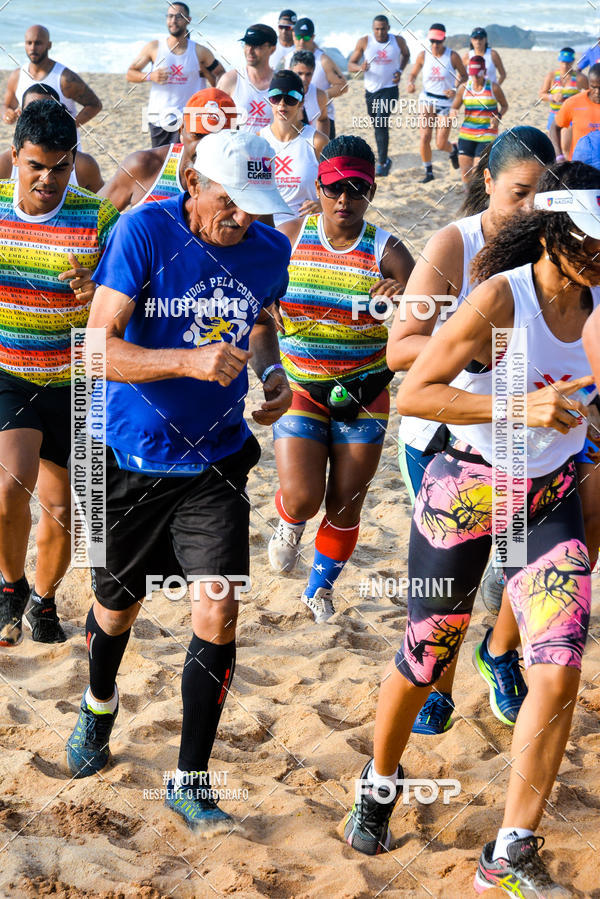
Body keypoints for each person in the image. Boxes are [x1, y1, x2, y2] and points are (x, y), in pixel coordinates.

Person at [345, 160, 600, 899]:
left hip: (547, 495)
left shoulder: (597, 301)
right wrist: (518, 407)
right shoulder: (499, 297)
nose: (597, 254)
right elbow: (416, 391)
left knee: (559, 664)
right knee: (427, 656)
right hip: (466, 487)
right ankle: (380, 780)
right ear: (551, 233)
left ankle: (510, 851)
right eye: (586, 240)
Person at [64, 130, 293, 833]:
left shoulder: (269, 249)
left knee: (218, 610)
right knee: (116, 607)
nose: (242, 218)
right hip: (126, 456)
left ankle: (190, 778)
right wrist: (189, 362)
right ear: (192, 183)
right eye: (229, 201)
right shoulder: (143, 231)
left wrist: (272, 371)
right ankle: (98, 703)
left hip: (216, 460)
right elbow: (95, 348)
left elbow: (260, 320)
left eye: (255, 205)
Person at [388, 126, 557, 735]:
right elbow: (399, 348)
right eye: (519, 194)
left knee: (522, 565)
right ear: (487, 181)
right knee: (450, 583)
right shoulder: (454, 244)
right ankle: (438, 686)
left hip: (529, 436)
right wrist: (472, 347)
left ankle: (500, 653)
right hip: (443, 432)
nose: (531, 209)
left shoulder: (557, 245)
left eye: (544, 195)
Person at [268, 135, 414, 623]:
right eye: (334, 188)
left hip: (366, 390)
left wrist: (402, 303)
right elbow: (254, 302)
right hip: (301, 385)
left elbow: (423, 328)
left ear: (372, 191)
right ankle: (289, 520)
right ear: (318, 187)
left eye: (357, 189)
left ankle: (319, 590)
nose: (344, 200)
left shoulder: (390, 253)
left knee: (345, 504)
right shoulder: (289, 238)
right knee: (304, 497)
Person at [0, 100, 118, 647]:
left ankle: (44, 600)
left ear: (74, 161)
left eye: (60, 167)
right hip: (12, 372)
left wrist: (100, 293)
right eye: (36, 166)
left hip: (81, 379)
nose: (48, 179)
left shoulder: (99, 218)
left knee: (65, 508)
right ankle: (11, 585)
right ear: (15, 157)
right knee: (8, 489)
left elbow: (132, 295)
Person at [99, 88, 236, 210]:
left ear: (234, 137)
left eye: (216, 138)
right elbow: (92, 218)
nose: (204, 146)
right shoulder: (145, 167)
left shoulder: (240, 178)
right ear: (181, 130)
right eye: (198, 136)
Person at [126, 2, 225, 148]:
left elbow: (222, 76)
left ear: (188, 20)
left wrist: (205, 72)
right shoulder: (154, 47)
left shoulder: (200, 51)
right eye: (170, 16)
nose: (173, 20)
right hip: (159, 117)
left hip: (190, 118)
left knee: (186, 160)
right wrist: (150, 76)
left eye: (179, 17)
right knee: (162, 159)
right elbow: (130, 73)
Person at [0, 84, 103, 192]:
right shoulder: (4, 166)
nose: (47, 180)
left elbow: (103, 199)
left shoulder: (83, 167)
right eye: (36, 166)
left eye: (59, 169)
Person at [1, 24, 102, 130]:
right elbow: (6, 106)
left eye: (38, 43)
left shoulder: (65, 78)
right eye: (29, 43)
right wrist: (7, 115)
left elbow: (95, 105)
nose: (33, 48)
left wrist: (68, 128)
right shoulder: (17, 76)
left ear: (49, 45)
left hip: (63, 141)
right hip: (29, 140)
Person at [260, 70, 327, 225]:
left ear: (301, 102)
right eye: (276, 97)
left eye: (291, 98)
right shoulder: (258, 141)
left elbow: (338, 185)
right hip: (268, 229)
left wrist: (323, 204)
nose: (282, 103)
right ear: (269, 100)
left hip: (306, 227)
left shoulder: (317, 142)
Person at [348, 15, 410, 177]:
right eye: (377, 29)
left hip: (390, 89)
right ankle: (384, 157)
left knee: (381, 121)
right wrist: (360, 68)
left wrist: (400, 70)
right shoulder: (364, 41)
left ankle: (382, 162)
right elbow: (350, 64)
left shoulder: (398, 41)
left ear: (388, 28)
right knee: (377, 123)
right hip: (371, 91)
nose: (380, 32)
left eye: (383, 29)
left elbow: (406, 54)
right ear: (372, 29)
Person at [407, 23, 467, 183]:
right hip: (426, 100)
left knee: (440, 144)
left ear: (444, 39)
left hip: (446, 103)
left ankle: (453, 149)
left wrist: (454, 88)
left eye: (438, 41)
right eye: (432, 41)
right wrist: (411, 83)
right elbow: (413, 73)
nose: (435, 45)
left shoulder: (452, 56)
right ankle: (429, 172)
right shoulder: (423, 55)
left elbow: (464, 75)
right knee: (425, 137)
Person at [285, 18, 347, 139]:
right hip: (296, 114)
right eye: (298, 37)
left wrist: (320, 97)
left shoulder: (323, 60)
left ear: (313, 37)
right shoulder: (288, 58)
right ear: (293, 35)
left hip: (323, 116)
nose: (302, 41)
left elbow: (343, 86)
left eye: (306, 38)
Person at [451, 56, 507, 183]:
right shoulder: (464, 88)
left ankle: (478, 194)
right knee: (465, 173)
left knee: (477, 172)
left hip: (487, 134)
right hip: (466, 134)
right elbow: (454, 107)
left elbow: (504, 105)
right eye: (473, 74)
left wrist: (498, 116)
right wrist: (453, 113)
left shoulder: (494, 88)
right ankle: (468, 194)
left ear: (485, 72)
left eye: (478, 74)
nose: (475, 77)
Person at [218, 24, 277, 134]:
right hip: (237, 144)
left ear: (272, 49)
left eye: (256, 45)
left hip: (270, 145)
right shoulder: (230, 80)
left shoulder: (281, 82)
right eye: (247, 44)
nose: (249, 50)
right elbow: (214, 120)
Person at [540, 48, 587, 158]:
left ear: (573, 61)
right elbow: (542, 95)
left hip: (571, 116)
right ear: (559, 60)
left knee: (565, 147)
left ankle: (567, 167)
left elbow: (591, 93)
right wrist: (552, 97)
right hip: (554, 114)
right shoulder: (552, 76)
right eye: (563, 62)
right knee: (553, 148)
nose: (565, 66)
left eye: (568, 63)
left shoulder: (580, 78)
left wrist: (577, 101)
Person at [554, 63, 600, 159]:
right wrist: (559, 156)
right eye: (593, 87)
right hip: (580, 164)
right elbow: (554, 128)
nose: (597, 92)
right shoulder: (573, 102)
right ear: (588, 84)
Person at [290, 51, 330, 135]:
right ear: (290, 70)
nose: (303, 79)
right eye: (299, 73)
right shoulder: (280, 94)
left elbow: (323, 119)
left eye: (308, 74)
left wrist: (323, 141)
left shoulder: (319, 95)